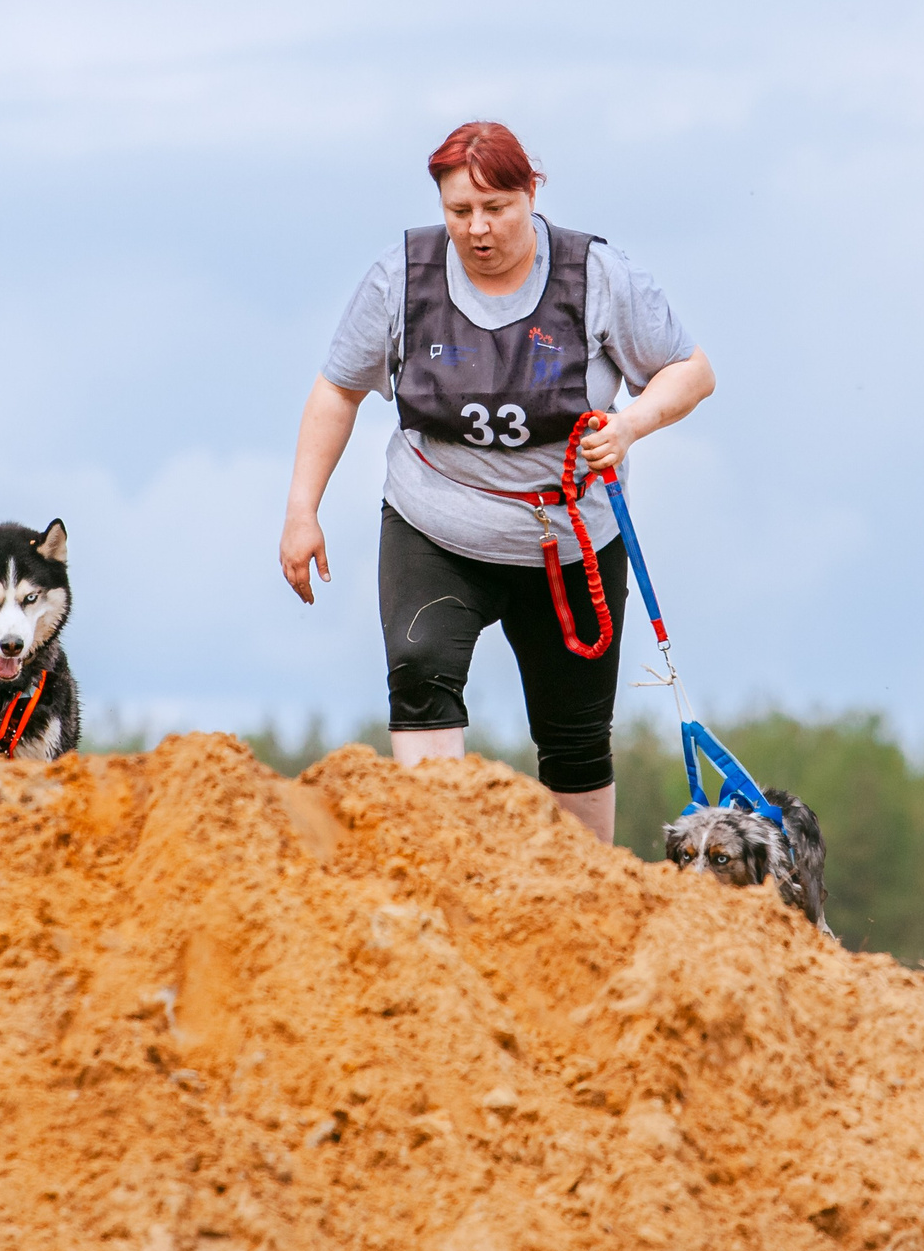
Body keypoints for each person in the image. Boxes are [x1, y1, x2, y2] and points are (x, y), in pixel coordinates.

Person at [279, 121, 715, 844]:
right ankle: (438, 866)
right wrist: (302, 509)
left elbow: (692, 370)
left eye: (496, 209)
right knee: (419, 674)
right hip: (437, 526)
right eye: (459, 213)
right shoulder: (401, 280)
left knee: (574, 736)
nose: (477, 229)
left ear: (532, 193)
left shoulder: (599, 275)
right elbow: (336, 391)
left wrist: (631, 424)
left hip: (572, 538)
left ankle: (584, 902)